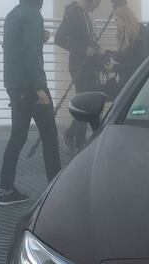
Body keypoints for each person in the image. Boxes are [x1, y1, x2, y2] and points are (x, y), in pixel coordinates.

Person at [0, 0, 61, 206]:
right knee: (50, 135)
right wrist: (39, 87)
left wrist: (38, 38)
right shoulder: (33, 15)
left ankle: (6, 189)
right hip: (31, 86)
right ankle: (56, 187)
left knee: (17, 136)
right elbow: (30, 53)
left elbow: (13, 46)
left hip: (14, 84)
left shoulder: (13, 14)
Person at [55, 0, 103, 152]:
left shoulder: (85, 15)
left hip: (87, 65)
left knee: (86, 102)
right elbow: (59, 39)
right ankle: (77, 139)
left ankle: (74, 137)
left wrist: (95, 48)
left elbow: (84, 38)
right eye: (97, 2)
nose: (98, 5)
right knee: (85, 102)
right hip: (79, 66)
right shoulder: (73, 14)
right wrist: (83, 49)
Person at [111, 4, 146, 86]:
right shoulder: (127, 34)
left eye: (116, 20)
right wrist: (113, 55)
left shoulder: (138, 36)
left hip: (134, 81)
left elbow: (136, 64)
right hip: (129, 79)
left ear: (124, 19)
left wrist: (115, 67)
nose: (115, 24)